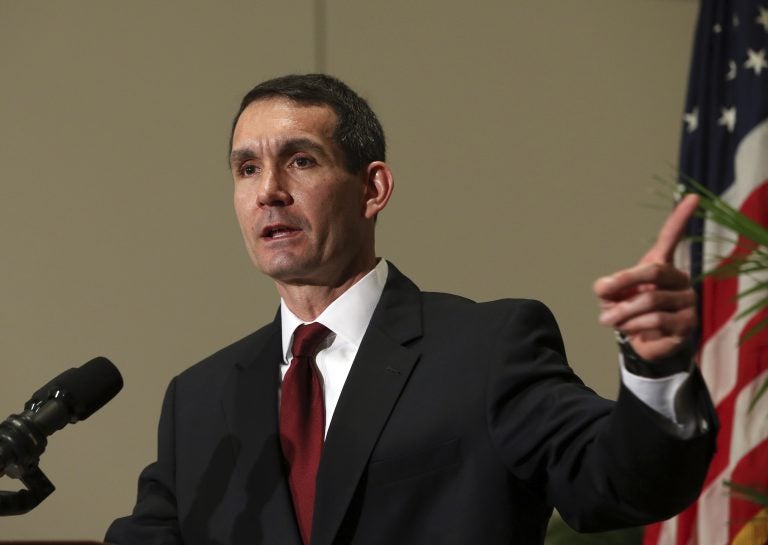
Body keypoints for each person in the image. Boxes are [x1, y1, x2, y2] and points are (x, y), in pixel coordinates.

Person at [105, 74, 716, 545]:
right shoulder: (200, 398)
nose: (268, 191)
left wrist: (655, 368)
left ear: (373, 189)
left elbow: (616, 485)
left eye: (300, 160)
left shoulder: (486, 348)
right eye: (247, 168)